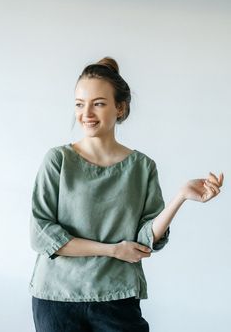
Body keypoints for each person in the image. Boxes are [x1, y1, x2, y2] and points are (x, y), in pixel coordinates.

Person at [29, 56, 224, 332]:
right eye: (79, 104)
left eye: (98, 103)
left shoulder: (142, 167)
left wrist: (180, 196)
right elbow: (41, 235)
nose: (87, 113)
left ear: (120, 108)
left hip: (117, 297)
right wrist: (112, 250)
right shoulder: (58, 161)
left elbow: (145, 239)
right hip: (58, 298)